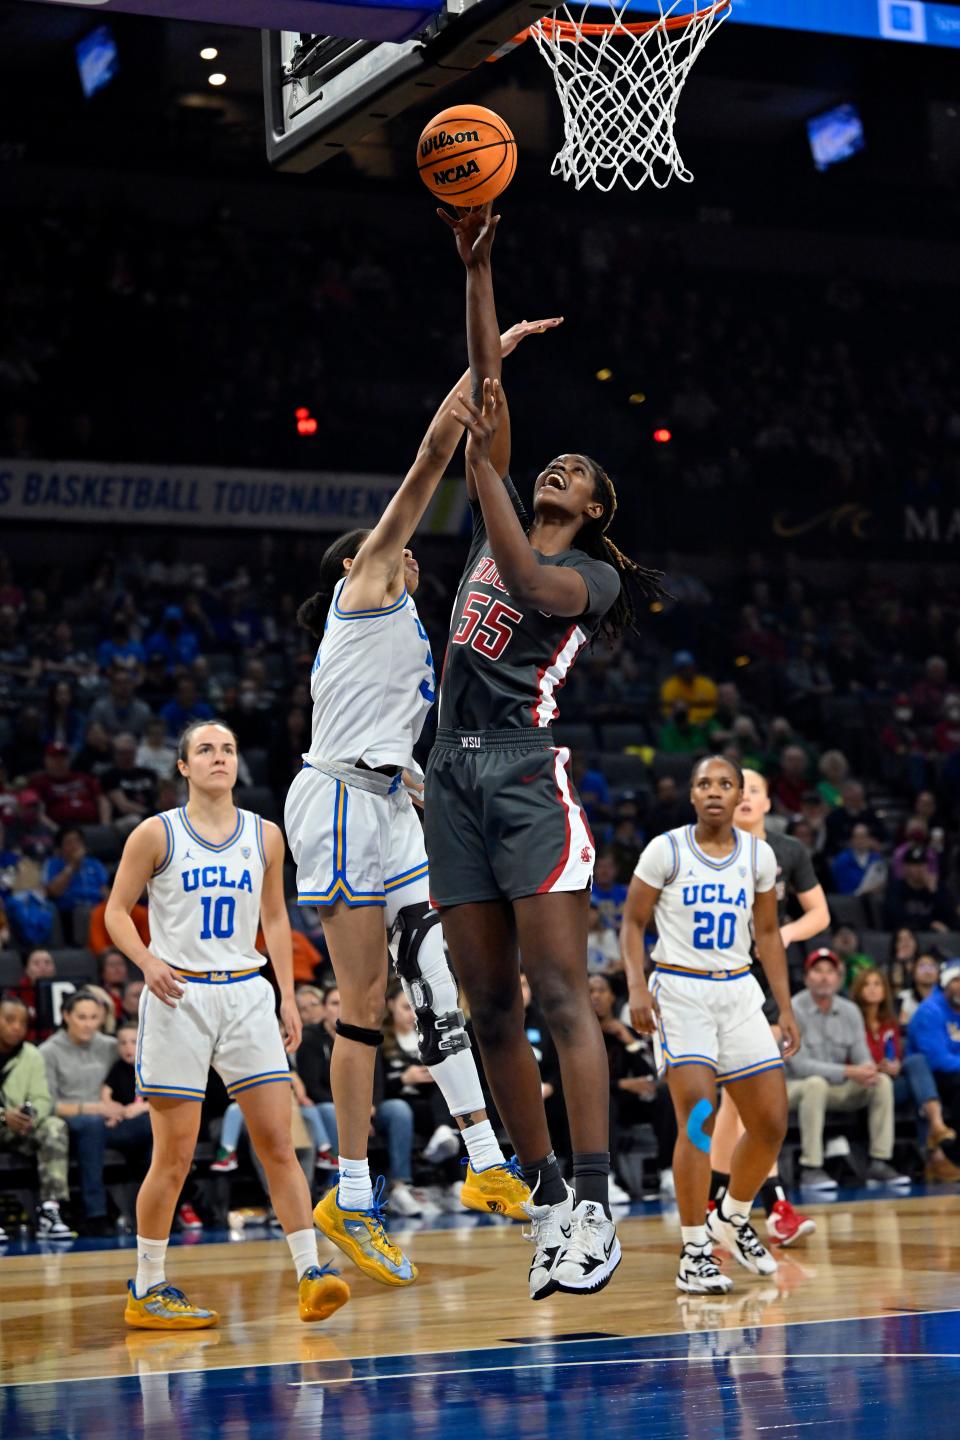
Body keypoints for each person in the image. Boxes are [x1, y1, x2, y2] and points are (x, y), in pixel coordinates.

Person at [285, 273, 551, 1288]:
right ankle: (348, 1194)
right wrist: (486, 363)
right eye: (376, 549)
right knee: (362, 1000)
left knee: (446, 981)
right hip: (340, 800)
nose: (389, 551)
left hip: (393, 804)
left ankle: (486, 1164)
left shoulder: (412, 625)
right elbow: (433, 458)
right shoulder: (361, 592)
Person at [426, 204, 665, 1301]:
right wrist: (478, 273)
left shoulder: (589, 580)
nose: (556, 463)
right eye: (549, 460)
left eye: (576, 470)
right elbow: (487, 391)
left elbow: (527, 583)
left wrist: (485, 471)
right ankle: (547, 1203)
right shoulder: (496, 512)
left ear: (595, 507)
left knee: (563, 995)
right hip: (449, 776)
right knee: (486, 1007)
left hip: (525, 773)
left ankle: (599, 1201)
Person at [105, 719, 348, 1329]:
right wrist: (147, 961)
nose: (219, 758)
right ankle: (148, 1287)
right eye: (206, 750)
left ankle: (310, 1274)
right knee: (175, 1155)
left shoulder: (266, 836)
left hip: (245, 995)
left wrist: (287, 996)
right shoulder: (154, 834)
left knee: (279, 1141)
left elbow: (274, 916)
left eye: (229, 749)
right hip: (178, 995)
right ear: (183, 766)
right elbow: (114, 913)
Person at [622, 756, 800, 1295]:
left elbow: (768, 935)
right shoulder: (666, 849)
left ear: (741, 793)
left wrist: (785, 1008)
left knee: (771, 1123)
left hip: (740, 991)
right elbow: (632, 922)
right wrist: (635, 987)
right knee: (698, 1117)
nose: (717, 792)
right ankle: (695, 1247)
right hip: (680, 992)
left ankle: (734, 1214)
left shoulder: (759, 856)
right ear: (693, 795)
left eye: (727, 784)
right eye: (705, 783)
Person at [708, 767, 828, 1247]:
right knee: (738, 1102)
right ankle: (763, 1206)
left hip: (767, 982)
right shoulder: (710, 848)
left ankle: (726, 1206)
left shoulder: (789, 851)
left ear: (767, 802)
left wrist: (785, 933)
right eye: (739, 789)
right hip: (719, 982)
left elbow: (819, 913)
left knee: (749, 1103)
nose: (745, 797)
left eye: (755, 789)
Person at [785, 949, 909, 1191]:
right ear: (807, 977)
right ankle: (811, 1167)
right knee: (815, 1084)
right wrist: (849, 1071)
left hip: (838, 1090)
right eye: (818, 971)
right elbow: (800, 1066)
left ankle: (879, 1162)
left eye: (830, 972)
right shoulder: (793, 1009)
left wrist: (870, 1069)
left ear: (839, 979)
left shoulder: (850, 1010)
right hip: (796, 1088)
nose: (824, 977)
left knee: (881, 1082)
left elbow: (861, 1055)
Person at [39, 989, 152, 1234]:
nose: (89, 1024)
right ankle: (96, 1213)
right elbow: (47, 1104)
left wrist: (132, 1108)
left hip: (112, 1119)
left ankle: (162, 1208)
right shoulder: (48, 1051)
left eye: (94, 1017)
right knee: (91, 1125)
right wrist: (94, 1108)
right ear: (66, 1015)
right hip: (72, 1120)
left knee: (150, 1125)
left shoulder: (112, 1045)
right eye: (82, 1017)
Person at [850, 968, 959, 1183]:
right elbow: (848, 1058)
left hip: (891, 1084)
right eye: (867, 984)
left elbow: (898, 1056)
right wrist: (876, 1067)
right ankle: (935, 1149)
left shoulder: (889, 1022)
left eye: (877, 984)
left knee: (917, 1077)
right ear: (858, 989)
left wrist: (895, 1065)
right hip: (862, 1082)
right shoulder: (850, 1019)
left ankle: (935, 1149)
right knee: (920, 1076)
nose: (872, 989)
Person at [588, 973, 676, 1203]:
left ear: (612, 997)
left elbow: (649, 1069)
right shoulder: (581, 1036)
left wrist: (628, 1040)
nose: (596, 996)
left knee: (665, 1095)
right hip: (597, 1103)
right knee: (605, 1102)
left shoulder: (625, 1030)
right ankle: (610, 1177)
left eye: (601, 990)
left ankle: (667, 1171)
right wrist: (621, 1084)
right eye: (590, 991)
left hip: (626, 1101)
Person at [0, 993, 75, 1242]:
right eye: (10, 1019)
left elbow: (43, 1098)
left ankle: (49, 1210)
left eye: (22, 1022)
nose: (16, 1027)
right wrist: (3, 1116)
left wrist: (30, 1115)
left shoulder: (31, 1054)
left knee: (54, 1126)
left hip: (20, 1128)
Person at [906, 959, 960, 1157]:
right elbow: (937, 1060)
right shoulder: (929, 1011)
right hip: (927, 1078)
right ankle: (953, 1156)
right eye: (956, 980)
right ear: (944, 983)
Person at [41, 827, 110, 946]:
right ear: (60, 848)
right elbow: (53, 891)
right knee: (84, 912)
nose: (74, 846)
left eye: (77, 841)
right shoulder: (54, 864)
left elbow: (104, 890)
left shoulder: (94, 863)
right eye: (69, 842)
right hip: (71, 909)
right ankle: (86, 950)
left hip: (98, 906)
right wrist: (72, 865)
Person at [885, 846, 957, 933]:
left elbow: (950, 915)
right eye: (914, 865)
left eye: (922, 864)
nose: (920, 869)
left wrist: (935, 892)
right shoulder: (896, 887)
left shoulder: (937, 886)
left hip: (937, 936)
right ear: (905, 867)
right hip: (907, 935)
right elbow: (896, 917)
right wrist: (929, 923)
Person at [659, 651, 718, 726]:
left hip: (706, 723)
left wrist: (704, 720)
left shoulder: (707, 684)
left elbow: (714, 708)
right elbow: (667, 713)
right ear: (677, 671)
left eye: (689, 667)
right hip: (682, 725)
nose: (687, 671)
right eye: (683, 668)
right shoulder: (669, 686)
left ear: (694, 666)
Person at [830, 824, 888, 897]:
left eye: (864, 836)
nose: (861, 840)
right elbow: (843, 888)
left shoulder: (877, 859)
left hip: (873, 901)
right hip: (848, 902)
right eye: (857, 837)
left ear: (870, 839)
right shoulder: (842, 860)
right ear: (851, 840)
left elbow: (882, 884)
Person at [897, 950, 942, 1025]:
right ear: (913, 973)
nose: (928, 971)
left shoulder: (947, 998)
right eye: (922, 967)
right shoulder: (903, 998)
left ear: (938, 972)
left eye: (931, 967)